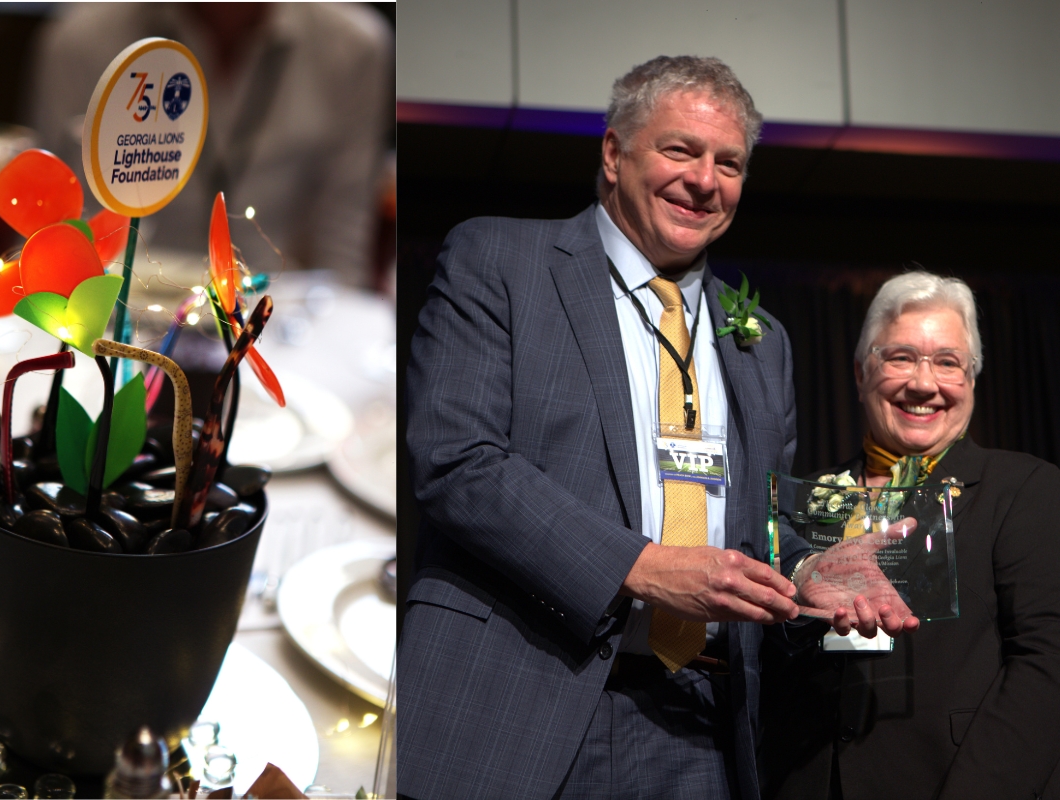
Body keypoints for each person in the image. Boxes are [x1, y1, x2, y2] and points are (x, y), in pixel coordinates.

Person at [401, 56, 909, 800]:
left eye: (728, 162)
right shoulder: (502, 261)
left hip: (697, 726)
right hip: (513, 702)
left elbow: (758, 525)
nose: (705, 180)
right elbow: (456, 461)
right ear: (613, 154)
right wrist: (640, 566)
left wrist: (806, 571)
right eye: (681, 150)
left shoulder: (760, 339)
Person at [760, 271, 1060, 799]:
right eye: (900, 357)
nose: (923, 383)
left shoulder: (1025, 489)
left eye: (948, 362)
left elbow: (1046, 667)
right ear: (859, 374)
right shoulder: (806, 505)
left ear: (972, 380)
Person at [24, 3, 392, 286]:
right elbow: (53, 227)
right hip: (119, 304)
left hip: (272, 313)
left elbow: (343, 238)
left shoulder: (354, 46)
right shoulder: (79, 39)